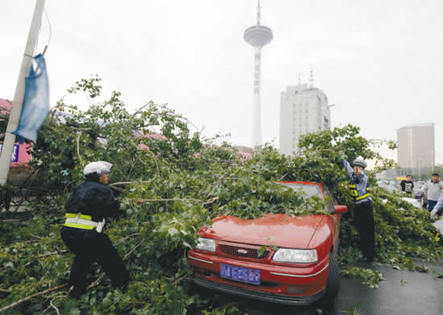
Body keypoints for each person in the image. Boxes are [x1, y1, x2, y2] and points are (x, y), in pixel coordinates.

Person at [61, 161, 129, 298]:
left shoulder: (79, 188)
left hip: (68, 233)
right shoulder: (103, 190)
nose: (107, 177)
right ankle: (125, 287)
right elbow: (114, 210)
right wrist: (128, 207)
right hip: (88, 234)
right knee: (111, 260)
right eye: (105, 174)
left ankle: (74, 291)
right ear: (98, 176)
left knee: (83, 258)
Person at [343, 158, 375, 262]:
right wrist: (339, 155)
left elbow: (358, 177)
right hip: (357, 207)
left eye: (359, 167)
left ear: (362, 169)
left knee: (368, 232)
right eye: (355, 167)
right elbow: (346, 165)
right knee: (361, 231)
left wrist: (358, 173)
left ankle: (369, 256)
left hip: (365, 206)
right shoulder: (352, 173)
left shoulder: (363, 177)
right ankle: (364, 254)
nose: (356, 169)